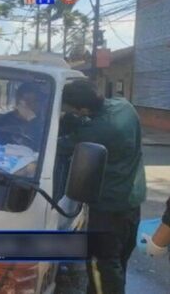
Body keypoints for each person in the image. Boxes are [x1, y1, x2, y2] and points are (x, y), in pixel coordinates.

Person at [59, 80, 146, 294]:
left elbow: (61, 147)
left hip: (108, 207)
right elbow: (92, 122)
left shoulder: (97, 131)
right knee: (117, 263)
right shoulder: (125, 106)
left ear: (84, 109)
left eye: (71, 110)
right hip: (132, 202)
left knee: (102, 266)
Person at [0, 83, 45, 148]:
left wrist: (32, 119)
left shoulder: (43, 124)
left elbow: (42, 145)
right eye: (27, 101)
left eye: (35, 101)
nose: (32, 105)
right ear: (18, 102)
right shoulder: (3, 121)